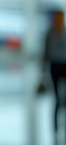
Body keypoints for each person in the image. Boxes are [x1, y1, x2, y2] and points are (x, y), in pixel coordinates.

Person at [42, 10, 66, 138]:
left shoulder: (65, 31)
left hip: (65, 65)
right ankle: (56, 127)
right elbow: (46, 51)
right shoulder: (49, 33)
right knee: (57, 96)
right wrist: (43, 69)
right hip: (54, 66)